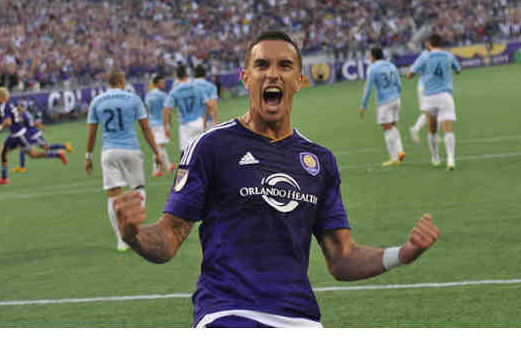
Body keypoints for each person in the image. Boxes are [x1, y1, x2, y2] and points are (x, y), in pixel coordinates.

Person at [113, 30, 440, 328]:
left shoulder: (319, 161)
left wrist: (402, 254)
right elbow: (169, 237)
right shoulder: (211, 147)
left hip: (302, 320)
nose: (272, 73)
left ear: (298, 80)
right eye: (261, 65)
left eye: (284, 66)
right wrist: (134, 236)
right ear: (246, 78)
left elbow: (342, 258)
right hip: (228, 315)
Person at [85, 68, 162, 252]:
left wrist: (88, 156)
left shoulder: (97, 101)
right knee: (138, 190)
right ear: (122, 81)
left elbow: (92, 132)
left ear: (108, 82)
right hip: (131, 150)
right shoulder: (133, 99)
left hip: (109, 151)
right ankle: (135, 233)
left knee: (113, 195)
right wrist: (156, 152)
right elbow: (145, 127)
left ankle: (121, 239)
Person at [0, 87, 67, 187]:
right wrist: (19, 120)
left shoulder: (4, 106)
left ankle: (58, 154)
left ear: (0, 97)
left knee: (33, 155)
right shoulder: (11, 103)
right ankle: (4, 178)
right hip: (15, 134)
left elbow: (8, 121)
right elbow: (20, 110)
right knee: (3, 153)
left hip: (19, 135)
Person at [408, 34, 461, 170]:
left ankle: (436, 157)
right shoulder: (448, 55)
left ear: (429, 44)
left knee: (432, 131)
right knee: (448, 130)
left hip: (429, 97)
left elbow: (409, 74)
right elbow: (458, 70)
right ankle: (451, 160)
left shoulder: (425, 56)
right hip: (445, 96)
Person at [359, 47, 405, 167]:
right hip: (396, 99)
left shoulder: (373, 68)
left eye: (370, 55)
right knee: (392, 126)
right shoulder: (391, 65)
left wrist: (363, 105)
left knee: (387, 129)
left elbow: (368, 88)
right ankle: (399, 152)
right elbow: (399, 83)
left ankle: (395, 156)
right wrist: (398, 94)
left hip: (385, 102)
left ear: (373, 56)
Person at [163, 65, 215, 152]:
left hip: (185, 125)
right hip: (198, 122)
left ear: (177, 76)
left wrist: (166, 127)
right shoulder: (196, 88)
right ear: (187, 75)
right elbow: (209, 105)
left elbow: (166, 110)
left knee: (186, 153)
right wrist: (205, 120)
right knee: (200, 150)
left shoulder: (175, 91)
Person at [13, 102, 74, 174]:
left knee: (46, 147)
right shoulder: (25, 113)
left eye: (18, 108)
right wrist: (44, 128)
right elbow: (34, 122)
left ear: (20, 108)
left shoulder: (23, 115)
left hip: (34, 135)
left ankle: (63, 148)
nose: (17, 110)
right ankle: (22, 167)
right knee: (22, 148)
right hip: (29, 135)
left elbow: (23, 122)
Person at [144, 75, 176, 177]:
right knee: (159, 147)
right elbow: (167, 110)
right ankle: (157, 170)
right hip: (161, 123)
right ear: (157, 83)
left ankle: (167, 166)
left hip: (151, 123)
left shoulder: (148, 95)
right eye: (162, 82)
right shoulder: (163, 95)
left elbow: (147, 110)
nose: (164, 84)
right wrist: (169, 121)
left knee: (159, 146)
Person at [407, 46, 430, 144]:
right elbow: (411, 72)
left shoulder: (432, 54)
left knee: (435, 112)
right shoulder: (424, 56)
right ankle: (415, 129)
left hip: (431, 88)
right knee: (430, 112)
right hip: (424, 88)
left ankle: (432, 135)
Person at [192, 65, 219, 130]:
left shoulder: (190, 86)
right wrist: (215, 121)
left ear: (194, 73)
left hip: (191, 121)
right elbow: (213, 105)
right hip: (207, 121)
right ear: (205, 74)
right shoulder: (211, 86)